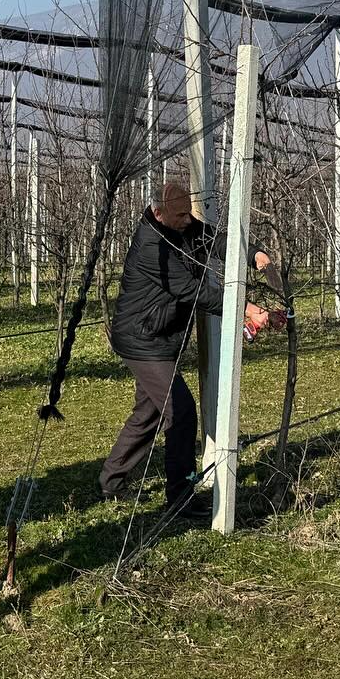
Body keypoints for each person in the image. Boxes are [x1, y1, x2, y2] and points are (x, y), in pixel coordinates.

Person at [100, 182, 271, 517]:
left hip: (159, 336)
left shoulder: (183, 225)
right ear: (158, 211)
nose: (185, 220)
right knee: (180, 410)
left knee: (148, 413)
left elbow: (216, 240)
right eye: (178, 215)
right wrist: (246, 308)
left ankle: (111, 480)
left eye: (187, 213)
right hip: (142, 340)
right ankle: (179, 496)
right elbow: (191, 290)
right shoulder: (151, 245)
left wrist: (256, 255)